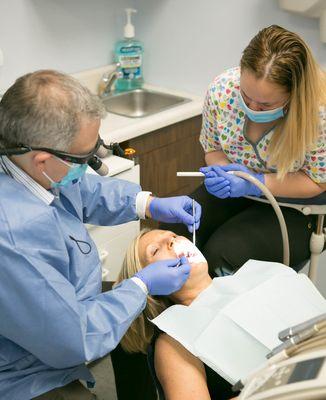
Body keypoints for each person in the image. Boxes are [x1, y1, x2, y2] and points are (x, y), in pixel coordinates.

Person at [0, 70, 202, 400]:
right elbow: (72, 340)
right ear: (42, 160)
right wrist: (142, 285)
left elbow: (82, 187)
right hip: (24, 374)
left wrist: (148, 204)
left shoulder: (28, 163)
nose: (94, 164)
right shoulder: (12, 241)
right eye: (85, 158)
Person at [162, 25, 326, 276]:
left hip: (298, 208)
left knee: (224, 254)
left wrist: (255, 182)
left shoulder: (317, 114)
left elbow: (317, 180)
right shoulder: (223, 91)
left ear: (294, 95)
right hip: (238, 195)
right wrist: (222, 172)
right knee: (174, 234)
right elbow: (213, 147)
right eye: (246, 96)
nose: (251, 107)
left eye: (265, 105)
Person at [116, 229, 237, 400]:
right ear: (152, 284)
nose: (172, 240)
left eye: (173, 236)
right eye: (155, 250)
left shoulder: (248, 280)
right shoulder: (174, 343)